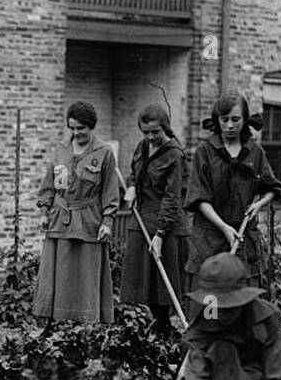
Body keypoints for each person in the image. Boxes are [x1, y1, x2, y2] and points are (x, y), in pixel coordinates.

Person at [185, 94, 281, 305]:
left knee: (243, 298)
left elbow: (271, 188)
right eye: (224, 119)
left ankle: (241, 337)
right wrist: (224, 227)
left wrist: (259, 204)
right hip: (209, 237)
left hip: (243, 237)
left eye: (235, 120)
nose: (229, 125)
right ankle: (210, 334)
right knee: (211, 300)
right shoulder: (205, 151)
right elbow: (199, 198)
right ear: (217, 120)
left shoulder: (255, 152)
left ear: (245, 119)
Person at [33, 101, 121, 325]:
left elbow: (110, 190)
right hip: (60, 219)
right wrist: (44, 210)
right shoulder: (61, 149)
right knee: (60, 272)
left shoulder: (103, 153)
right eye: (71, 128)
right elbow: (49, 183)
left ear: (91, 127)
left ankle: (86, 322)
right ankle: (57, 322)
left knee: (85, 274)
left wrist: (107, 221)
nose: (76, 133)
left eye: (80, 128)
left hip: (89, 221)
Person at [183, 253, 281, 380]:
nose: (221, 311)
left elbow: (279, 370)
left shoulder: (265, 317)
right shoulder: (207, 320)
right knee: (221, 349)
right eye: (217, 304)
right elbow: (198, 377)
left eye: (228, 305)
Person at [119, 103, 187, 334]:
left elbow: (172, 197)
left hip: (165, 224)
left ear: (165, 128)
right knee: (142, 281)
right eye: (145, 132)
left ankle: (164, 329)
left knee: (162, 284)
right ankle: (149, 328)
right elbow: (133, 172)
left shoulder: (175, 155)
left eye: (155, 132)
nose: (150, 137)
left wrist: (160, 234)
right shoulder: (142, 146)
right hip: (140, 221)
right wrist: (131, 187)